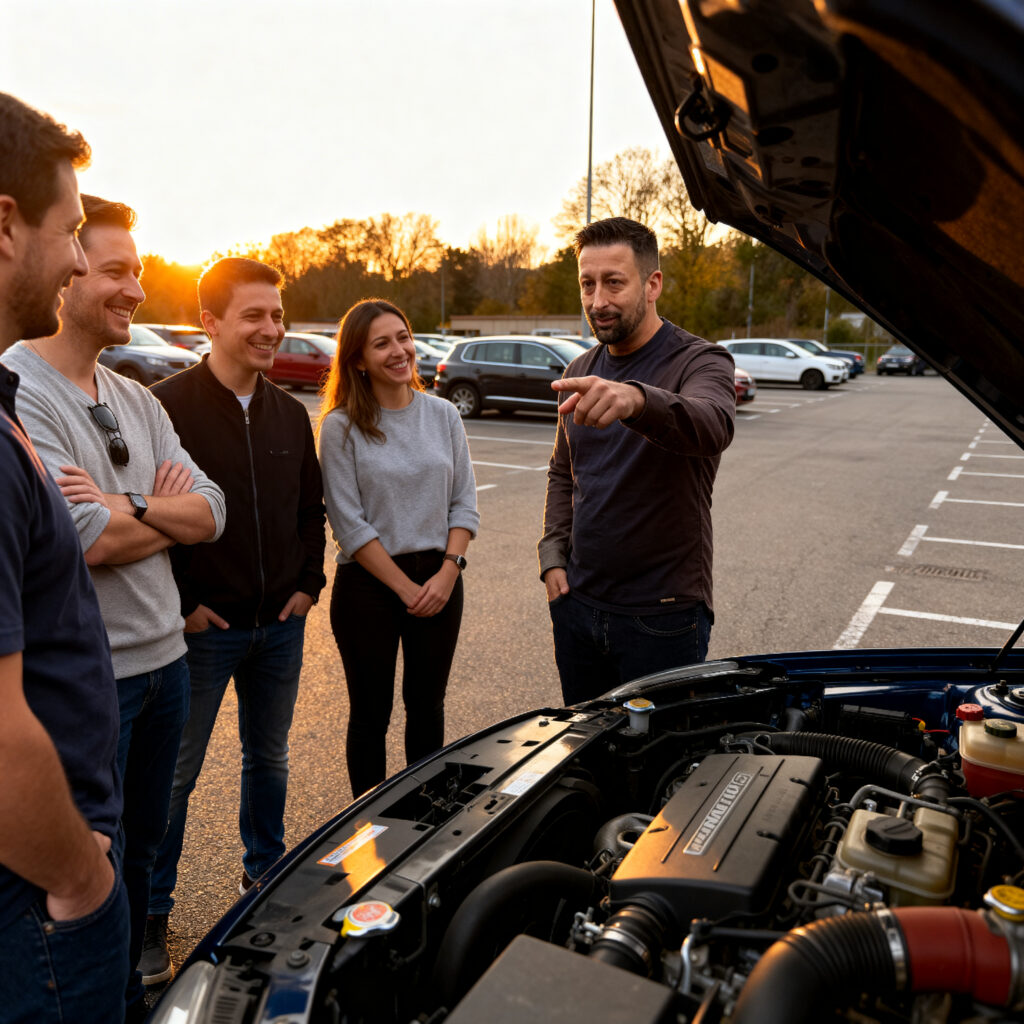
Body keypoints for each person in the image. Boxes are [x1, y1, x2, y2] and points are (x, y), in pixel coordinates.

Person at [4, 195, 226, 1011]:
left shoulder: (137, 395)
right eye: (115, 270)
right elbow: (84, 541)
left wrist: (123, 505)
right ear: (68, 275)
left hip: (168, 664)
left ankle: (134, 980)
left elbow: (212, 510)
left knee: (144, 852)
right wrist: (145, 512)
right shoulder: (22, 391)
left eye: (138, 269)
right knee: (89, 868)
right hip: (99, 681)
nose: (136, 288)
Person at [145, 257, 326, 981]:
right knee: (174, 777)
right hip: (203, 632)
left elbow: (309, 511)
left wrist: (309, 585)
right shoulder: (166, 409)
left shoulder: (288, 411)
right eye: (254, 315)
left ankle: (266, 879)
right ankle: (153, 913)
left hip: (279, 626)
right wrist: (183, 604)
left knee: (270, 758)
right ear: (210, 323)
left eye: (276, 315)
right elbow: (153, 517)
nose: (270, 328)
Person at [0, 92, 130, 1023]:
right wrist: (80, 880)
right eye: (73, 231)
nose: (80, 260)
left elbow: (205, 508)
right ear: (5, 226)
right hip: (36, 905)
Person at [538, 216, 736, 704]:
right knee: (588, 760)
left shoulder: (700, 361)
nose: (598, 301)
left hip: (663, 618)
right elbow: (564, 473)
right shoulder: (580, 368)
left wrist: (636, 400)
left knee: (662, 769)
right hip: (578, 606)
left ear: (652, 285)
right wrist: (552, 558)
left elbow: (714, 424)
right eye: (587, 284)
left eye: (613, 283)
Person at [317, 299, 478, 797]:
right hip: (370, 587)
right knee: (370, 714)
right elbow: (349, 523)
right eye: (381, 343)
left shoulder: (444, 414)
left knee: (427, 706)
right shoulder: (341, 425)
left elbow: (464, 503)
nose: (399, 350)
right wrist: (407, 588)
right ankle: (368, 827)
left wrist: (448, 572)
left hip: (440, 576)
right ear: (358, 359)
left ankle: (423, 819)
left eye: (403, 337)